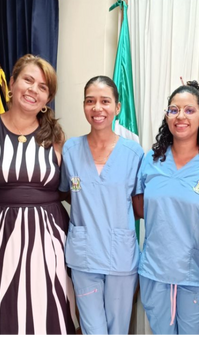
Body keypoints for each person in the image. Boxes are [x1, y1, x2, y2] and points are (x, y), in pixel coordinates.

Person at [0, 54, 77, 338]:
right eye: (28, 80)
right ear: (11, 83)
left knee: (44, 311)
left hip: (48, 240)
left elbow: (69, 190)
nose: (33, 90)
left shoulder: (56, 138)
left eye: (42, 87)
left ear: (48, 98)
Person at [134, 81, 199, 338]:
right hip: (155, 271)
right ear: (167, 116)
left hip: (196, 274)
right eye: (174, 110)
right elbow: (140, 207)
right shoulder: (151, 160)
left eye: (189, 110)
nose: (181, 117)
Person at [58, 76, 144, 338]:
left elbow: (139, 206)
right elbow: (67, 192)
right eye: (90, 101)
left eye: (105, 101)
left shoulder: (133, 153)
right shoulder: (71, 149)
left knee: (117, 332)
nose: (97, 108)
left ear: (117, 107)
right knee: (92, 331)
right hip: (84, 257)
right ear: (84, 105)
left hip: (121, 256)